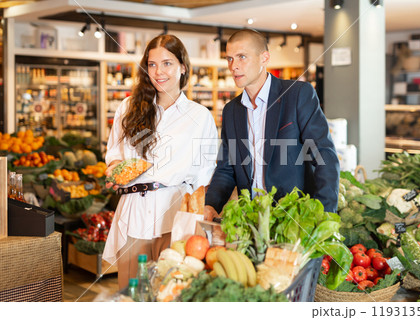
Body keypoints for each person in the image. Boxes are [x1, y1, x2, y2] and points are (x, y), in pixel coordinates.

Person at [103, 34, 218, 289]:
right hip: (134, 212)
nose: (158, 71)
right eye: (152, 64)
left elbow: (205, 173)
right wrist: (114, 170)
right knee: (131, 292)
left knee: (170, 293)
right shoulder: (128, 107)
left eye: (167, 63)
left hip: (176, 215)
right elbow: (114, 154)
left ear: (182, 67)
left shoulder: (200, 117)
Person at [204, 29, 339, 220]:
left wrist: (325, 216)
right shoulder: (231, 111)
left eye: (242, 57)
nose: (234, 66)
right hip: (252, 220)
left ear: (264, 58)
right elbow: (226, 168)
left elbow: (325, 157)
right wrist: (211, 205)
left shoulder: (297, 94)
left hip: (296, 219)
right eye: (230, 59)